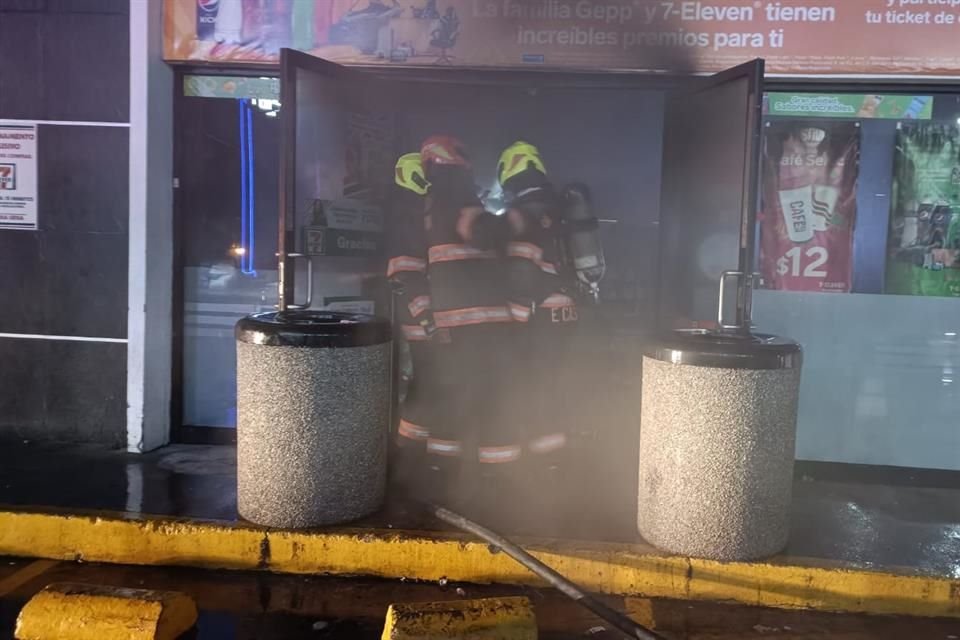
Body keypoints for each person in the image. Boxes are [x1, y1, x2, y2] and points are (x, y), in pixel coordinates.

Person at [419, 135, 518, 504]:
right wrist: (519, 217)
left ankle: (443, 478)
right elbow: (482, 233)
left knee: (454, 396)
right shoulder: (454, 196)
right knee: (493, 397)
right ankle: (496, 481)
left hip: (453, 323)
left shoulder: (431, 203)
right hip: (483, 323)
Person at [498, 141, 580, 496]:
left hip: (536, 320)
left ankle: (529, 475)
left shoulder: (521, 216)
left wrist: (509, 329)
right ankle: (554, 463)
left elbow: (520, 276)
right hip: (567, 317)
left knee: (527, 389)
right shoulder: (559, 210)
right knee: (555, 387)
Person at [385, 152, 444, 488]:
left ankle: (413, 456)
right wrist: (429, 321)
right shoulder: (409, 216)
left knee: (427, 385)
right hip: (421, 321)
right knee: (427, 386)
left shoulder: (410, 212)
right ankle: (410, 459)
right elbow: (407, 274)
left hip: (422, 318)